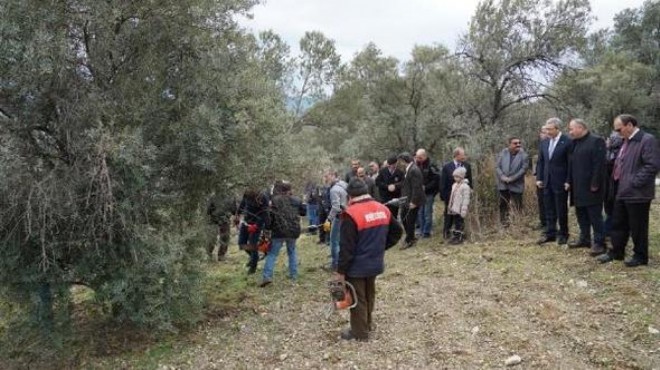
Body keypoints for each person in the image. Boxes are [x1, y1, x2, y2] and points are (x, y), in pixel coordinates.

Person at [335, 178, 403, 341]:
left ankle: (359, 333)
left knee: (358, 298)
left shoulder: (350, 214)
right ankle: (367, 324)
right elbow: (397, 232)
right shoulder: (383, 209)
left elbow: (346, 248)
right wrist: (380, 248)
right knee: (369, 293)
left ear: (349, 196)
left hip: (356, 265)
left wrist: (340, 272)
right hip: (375, 262)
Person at [597, 114, 660, 267]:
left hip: (637, 193)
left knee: (638, 226)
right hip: (621, 190)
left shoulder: (647, 140)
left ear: (630, 125)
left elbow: (652, 165)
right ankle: (617, 252)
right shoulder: (626, 141)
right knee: (618, 223)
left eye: (619, 129)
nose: (618, 133)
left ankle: (640, 256)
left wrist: (634, 182)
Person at [565, 119, 607, 256]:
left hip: (591, 187)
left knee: (595, 216)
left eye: (572, 129)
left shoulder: (596, 141)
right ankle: (585, 239)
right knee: (581, 214)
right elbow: (571, 165)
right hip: (577, 186)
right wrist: (569, 181)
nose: (570, 132)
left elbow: (599, 165)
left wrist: (595, 184)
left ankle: (600, 243)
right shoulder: (574, 143)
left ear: (581, 127)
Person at [260, 181, 306, 287]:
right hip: (293, 231)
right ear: (290, 190)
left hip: (278, 231)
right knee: (292, 252)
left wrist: (268, 228)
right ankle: (293, 275)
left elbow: (269, 217)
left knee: (272, 254)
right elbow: (304, 212)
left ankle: (267, 276)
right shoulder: (297, 200)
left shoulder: (274, 201)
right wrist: (302, 203)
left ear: (280, 190)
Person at [536, 118, 572, 245]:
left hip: (560, 181)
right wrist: (539, 178)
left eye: (550, 129)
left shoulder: (567, 142)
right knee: (548, 208)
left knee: (561, 208)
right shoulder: (544, 142)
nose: (547, 132)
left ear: (557, 129)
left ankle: (563, 233)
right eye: (546, 129)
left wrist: (568, 180)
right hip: (546, 181)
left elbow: (570, 163)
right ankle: (551, 232)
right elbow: (541, 162)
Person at [495, 137, 529, 227]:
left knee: (517, 205)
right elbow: (497, 166)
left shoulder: (524, 155)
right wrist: (502, 176)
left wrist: (512, 178)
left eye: (519, 143)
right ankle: (504, 224)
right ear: (509, 144)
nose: (518, 145)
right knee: (503, 205)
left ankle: (518, 224)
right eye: (515, 143)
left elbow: (523, 169)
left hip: (517, 185)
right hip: (503, 184)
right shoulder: (503, 153)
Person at [440, 148, 473, 239]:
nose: (464, 156)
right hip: (449, 196)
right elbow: (443, 182)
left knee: (460, 216)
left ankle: (459, 234)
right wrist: (444, 196)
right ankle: (446, 233)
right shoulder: (447, 167)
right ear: (457, 155)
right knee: (448, 215)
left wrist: (470, 191)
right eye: (463, 154)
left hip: (462, 196)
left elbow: (469, 180)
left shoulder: (467, 166)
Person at [237, 188, 270, 274]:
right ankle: (254, 257)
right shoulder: (246, 193)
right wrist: (237, 215)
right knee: (241, 244)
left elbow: (265, 213)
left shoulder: (263, 197)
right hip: (246, 222)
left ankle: (253, 268)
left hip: (256, 224)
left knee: (252, 245)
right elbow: (242, 205)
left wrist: (257, 225)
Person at [397, 152, 425, 249]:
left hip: (412, 200)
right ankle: (411, 237)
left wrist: (413, 202)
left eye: (400, 161)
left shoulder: (414, 170)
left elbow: (416, 187)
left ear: (404, 160)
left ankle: (409, 240)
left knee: (410, 221)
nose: (399, 163)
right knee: (403, 217)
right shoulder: (408, 169)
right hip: (406, 199)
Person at [324, 169, 348, 270]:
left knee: (334, 241)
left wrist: (328, 219)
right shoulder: (344, 184)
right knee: (343, 241)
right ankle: (344, 262)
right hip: (349, 215)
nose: (325, 179)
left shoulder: (334, 190)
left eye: (327, 176)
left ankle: (336, 265)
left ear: (333, 175)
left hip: (340, 217)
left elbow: (336, 207)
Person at [415, 149, 441, 238]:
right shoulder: (416, 165)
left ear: (424, 156)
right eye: (417, 157)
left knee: (427, 213)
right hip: (419, 194)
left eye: (419, 157)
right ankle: (421, 231)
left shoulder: (431, 166)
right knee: (420, 213)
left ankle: (427, 232)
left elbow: (436, 180)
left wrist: (426, 187)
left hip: (429, 193)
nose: (418, 159)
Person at [206, 193, 237, 262]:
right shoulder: (230, 197)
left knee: (220, 238)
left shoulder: (214, 196)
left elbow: (234, 211)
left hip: (219, 220)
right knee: (215, 238)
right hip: (217, 220)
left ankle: (215, 255)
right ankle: (217, 255)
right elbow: (234, 211)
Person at [447, 167, 471, 244]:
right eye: (454, 177)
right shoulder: (454, 185)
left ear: (461, 177)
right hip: (454, 208)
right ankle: (455, 236)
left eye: (457, 177)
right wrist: (450, 206)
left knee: (459, 222)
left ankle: (460, 237)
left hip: (460, 209)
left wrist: (464, 210)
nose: (455, 178)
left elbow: (466, 199)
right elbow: (452, 196)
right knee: (456, 222)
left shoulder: (465, 187)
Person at [534, 127, 549, 230]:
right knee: (541, 201)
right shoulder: (542, 145)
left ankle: (550, 223)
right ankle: (543, 222)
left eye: (545, 132)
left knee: (549, 202)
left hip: (551, 178)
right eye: (542, 132)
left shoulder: (553, 144)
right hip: (541, 178)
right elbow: (540, 163)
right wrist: (538, 178)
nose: (543, 134)